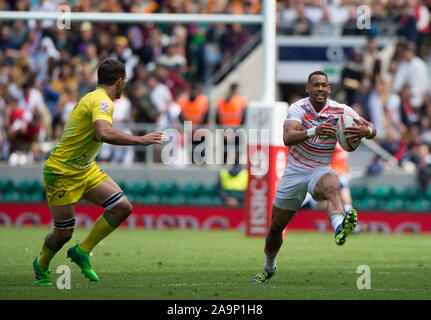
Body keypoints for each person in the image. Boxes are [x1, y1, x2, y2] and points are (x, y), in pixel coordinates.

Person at [32, 59, 164, 286]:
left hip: (85, 168)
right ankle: (42, 263)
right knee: (63, 233)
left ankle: (82, 251)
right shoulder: (102, 101)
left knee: (121, 208)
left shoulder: (93, 97)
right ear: (120, 82)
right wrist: (140, 140)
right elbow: (104, 133)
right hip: (62, 171)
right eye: (125, 82)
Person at [252, 71, 376, 284]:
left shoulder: (341, 111)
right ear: (307, 88)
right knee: (276, 227)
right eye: (316, 85)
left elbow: (372, 129)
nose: (320, 88)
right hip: (294, 171)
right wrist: (314, 131)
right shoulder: (298, 108)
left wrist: (367, 131)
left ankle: (339, 227)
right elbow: (287, 138)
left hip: (320, 169)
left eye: (324, 85)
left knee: (333, 185)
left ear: (329, 89)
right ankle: (269, 267)